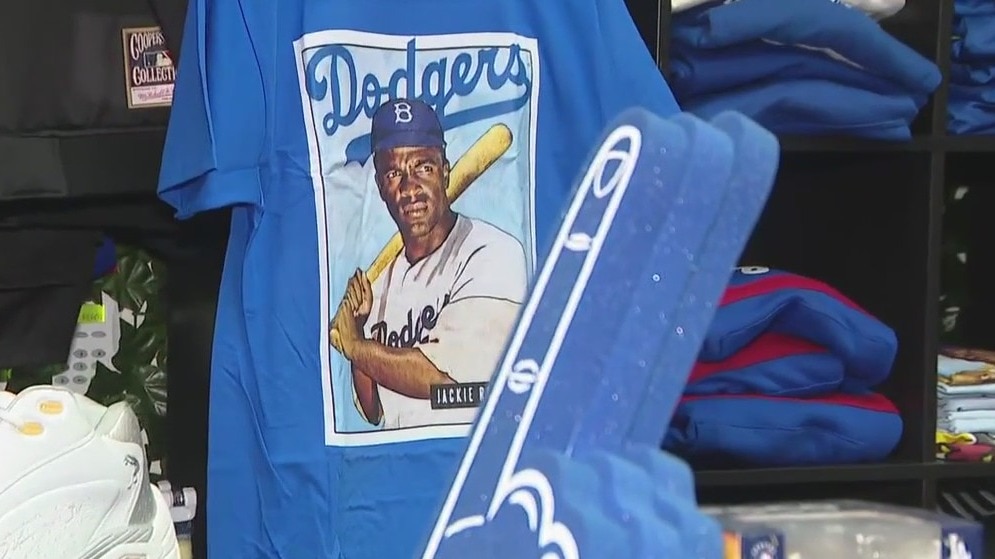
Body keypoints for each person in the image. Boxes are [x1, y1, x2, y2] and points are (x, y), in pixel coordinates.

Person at [331, 98, 529, 431]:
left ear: (445, 171)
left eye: (423, 167)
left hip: (473, 452)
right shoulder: (378, 287)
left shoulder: (493, 252)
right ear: (381, 187)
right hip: (400, 461)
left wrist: (356, 346)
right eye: (394, 173)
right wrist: (359, 330)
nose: (410, 189)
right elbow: (374, 410)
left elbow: (443, 382)